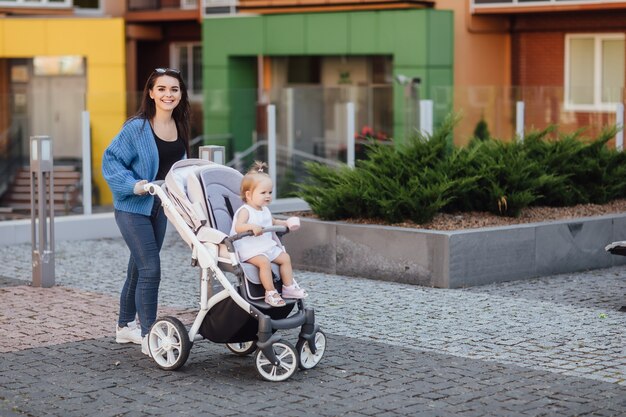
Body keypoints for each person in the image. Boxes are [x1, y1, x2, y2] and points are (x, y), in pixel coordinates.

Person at [102, 68, 190, 355]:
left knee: (138, 268)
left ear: (180, 94)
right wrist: (134, 185)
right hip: (132, 208)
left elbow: (178, 169)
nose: (168, 94)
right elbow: (111, 160)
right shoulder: (136, 128)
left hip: (160, 208)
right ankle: (150, 333)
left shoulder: (180, 125)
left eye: (174, 89)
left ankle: (124, 327)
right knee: (151, 269)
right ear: (151, 93)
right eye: (162, 89)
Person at [230, 161, 307, 307]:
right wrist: (251, 227)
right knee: (264, 262)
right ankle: (270, 292)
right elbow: (239, 227)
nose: (268, 196)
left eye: (270, 192)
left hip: (264, 246)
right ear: (248, 194)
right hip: (249, 249)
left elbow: (272, 221)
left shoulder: (264, 209)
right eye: (263, 193)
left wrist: (285, 223)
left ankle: (288, 288)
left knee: (285, 258)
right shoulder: (245, 211)